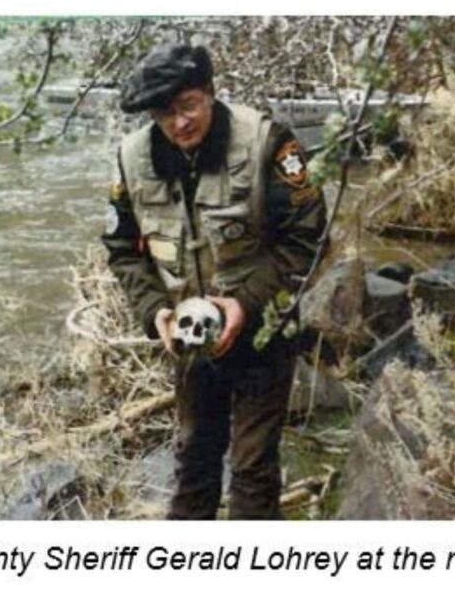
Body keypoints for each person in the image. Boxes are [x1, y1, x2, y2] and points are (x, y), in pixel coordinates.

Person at [101, 43, 328, 520]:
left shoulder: (267, 142)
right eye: (165, 112)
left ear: (209, 93)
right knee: (194, 458)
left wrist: (244, 306)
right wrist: (155, 313)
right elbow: (122, 250)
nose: (180, 122)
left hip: (265, 327)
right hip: (189, 339)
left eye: (189, 105)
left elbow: (309, 237)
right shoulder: (131, 159)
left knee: (252, 466)